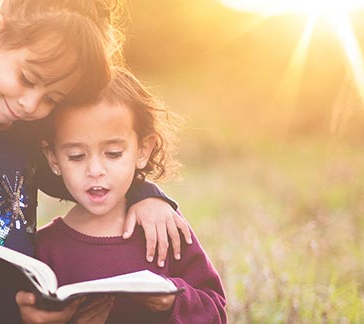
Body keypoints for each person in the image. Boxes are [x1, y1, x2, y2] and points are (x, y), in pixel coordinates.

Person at [0, 1, 193, 323]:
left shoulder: (23, 126)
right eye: (28, 78)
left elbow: (87, 180)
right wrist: (7, 310)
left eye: (52, 99)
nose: (31, 104)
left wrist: (146, 196)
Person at [36, 67, 227, 324]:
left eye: (113, 153)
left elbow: (215, 311)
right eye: (76, 156)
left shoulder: (163, 226)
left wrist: (172, 301)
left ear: (143, 150)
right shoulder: (46, 248)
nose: (95, 170)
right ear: (53, 158)